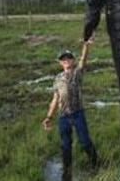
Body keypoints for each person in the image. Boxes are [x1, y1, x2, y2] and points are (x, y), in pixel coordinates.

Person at [42, 38, 98, 179]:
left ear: (72, 60)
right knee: (65, 146)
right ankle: (67, 172)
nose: (66, 60)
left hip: (78, 114)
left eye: (69, 58)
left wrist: (86, 46)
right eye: (63, 59)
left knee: (85, 142)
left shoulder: (77, 74)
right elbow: (55, 99)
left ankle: (95, 164)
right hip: (63, 117)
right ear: (60, 62)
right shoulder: (57, 78)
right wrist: (49, 117)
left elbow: (83, 60)